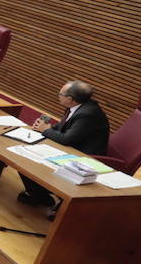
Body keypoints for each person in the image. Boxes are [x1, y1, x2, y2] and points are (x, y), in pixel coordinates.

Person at [17, 81, 111, 209]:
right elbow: (65, 126)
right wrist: (45, 128)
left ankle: (44, 197)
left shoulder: (88, 114)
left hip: (84, 157)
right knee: (23, 156)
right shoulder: (77, 106)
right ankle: (40, 196)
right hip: (74, 147)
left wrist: (46, 130)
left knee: (29, 162)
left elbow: (66, 139)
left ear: (70, 99)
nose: (58, 96)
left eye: (60, 94)